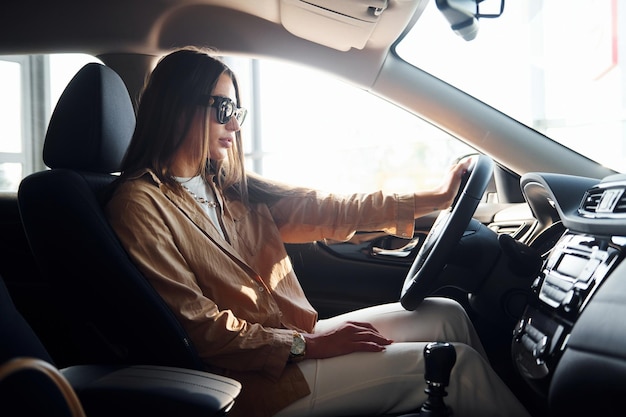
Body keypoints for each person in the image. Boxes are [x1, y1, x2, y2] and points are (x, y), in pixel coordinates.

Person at [104, 46, 530, 417]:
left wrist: (435, 198)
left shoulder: (223, 187)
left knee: (446, 315)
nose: (235, 125)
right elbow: (204, 330)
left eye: (238, 111)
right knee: (456, 366)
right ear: (179, 107)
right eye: (224, 109)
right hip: (249, 381)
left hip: (291, 342)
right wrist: (307, 347)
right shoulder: (140, 205)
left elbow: (329, 210)